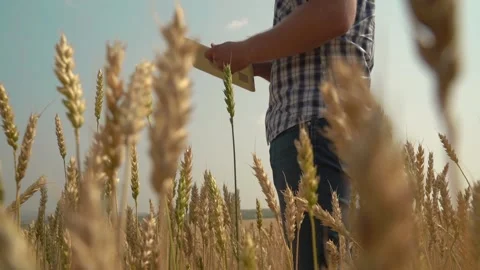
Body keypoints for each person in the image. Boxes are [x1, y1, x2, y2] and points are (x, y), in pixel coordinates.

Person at [205, 0, 375, 268]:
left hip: (317, 130)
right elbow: (310, 58)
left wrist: (246, 50)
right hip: (314, 129)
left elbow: (336, 11)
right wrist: (255, 66)